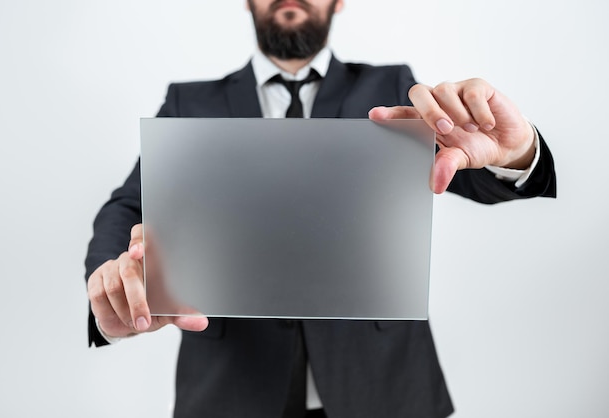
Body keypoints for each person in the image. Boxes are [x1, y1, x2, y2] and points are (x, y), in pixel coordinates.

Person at [85, 1, 556, 417]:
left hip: (381, 384)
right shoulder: (191, 102)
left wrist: (516, 153)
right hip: (231, 387)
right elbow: (130, 204)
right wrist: (111, 282)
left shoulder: (390, 87)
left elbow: (467, 171)